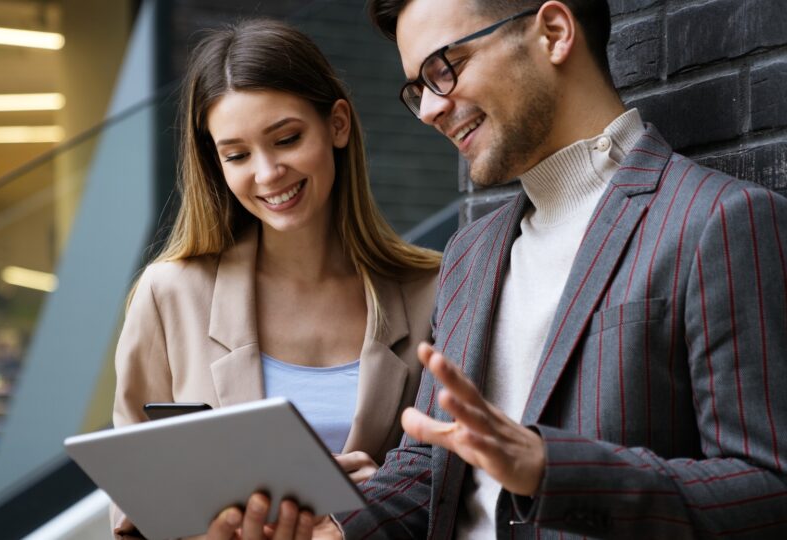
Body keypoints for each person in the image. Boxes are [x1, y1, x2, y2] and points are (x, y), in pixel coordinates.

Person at [206, 0, 787, 538]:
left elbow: (769, 490)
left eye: (445, 67)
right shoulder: (471, 252)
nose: (430, 109)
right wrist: (336, 528)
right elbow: (432, 465)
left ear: (553, 34)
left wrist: (549, 468)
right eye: (417, 88)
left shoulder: (718, 220)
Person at [111, 18, 440, 538]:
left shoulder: (434, 291)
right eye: (237, 155)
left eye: (286, 139)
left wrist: (375, 505)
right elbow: (132, 507)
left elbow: (456, 488)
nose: (266, 174)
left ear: (337, 124)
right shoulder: (170, 294)